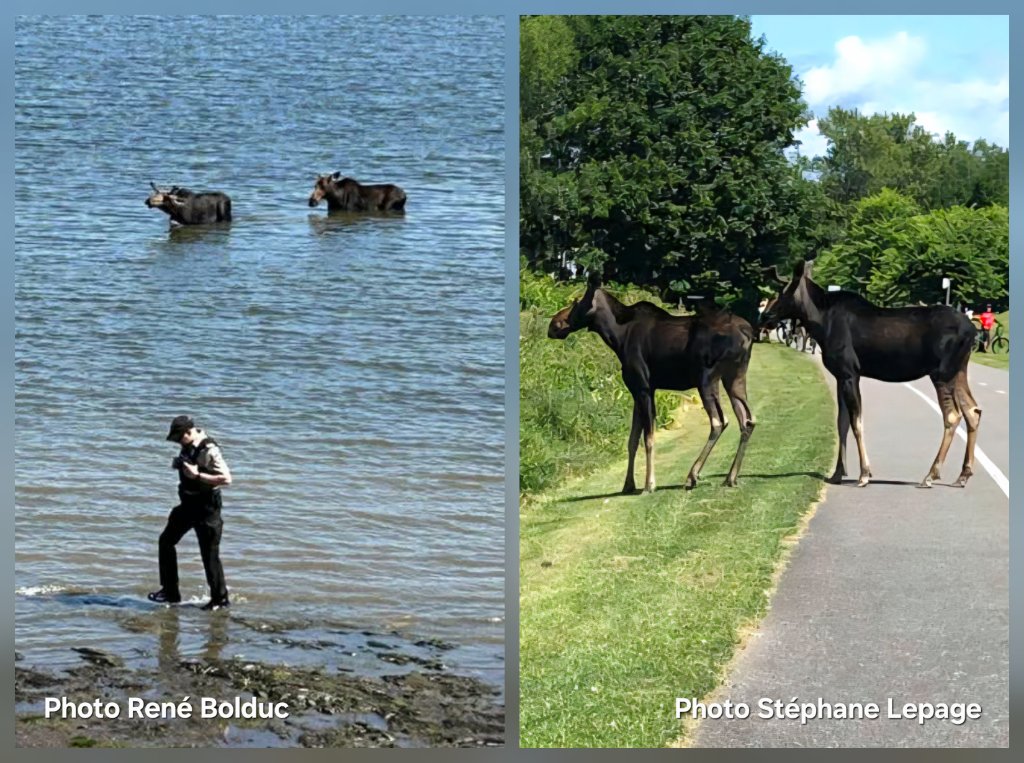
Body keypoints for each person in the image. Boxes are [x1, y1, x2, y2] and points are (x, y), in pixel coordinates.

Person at [148, 415, 232, 610]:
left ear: (188, 432)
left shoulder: (210, 449)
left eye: (179, 438)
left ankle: (220, 600)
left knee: (209, 555)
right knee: (166, 541)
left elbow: (226, 479)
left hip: (207, 508)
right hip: (187, 505)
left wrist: (198, 475)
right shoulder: (188, 445)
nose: (177, 442)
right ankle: (170, 592)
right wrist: (180, 464)